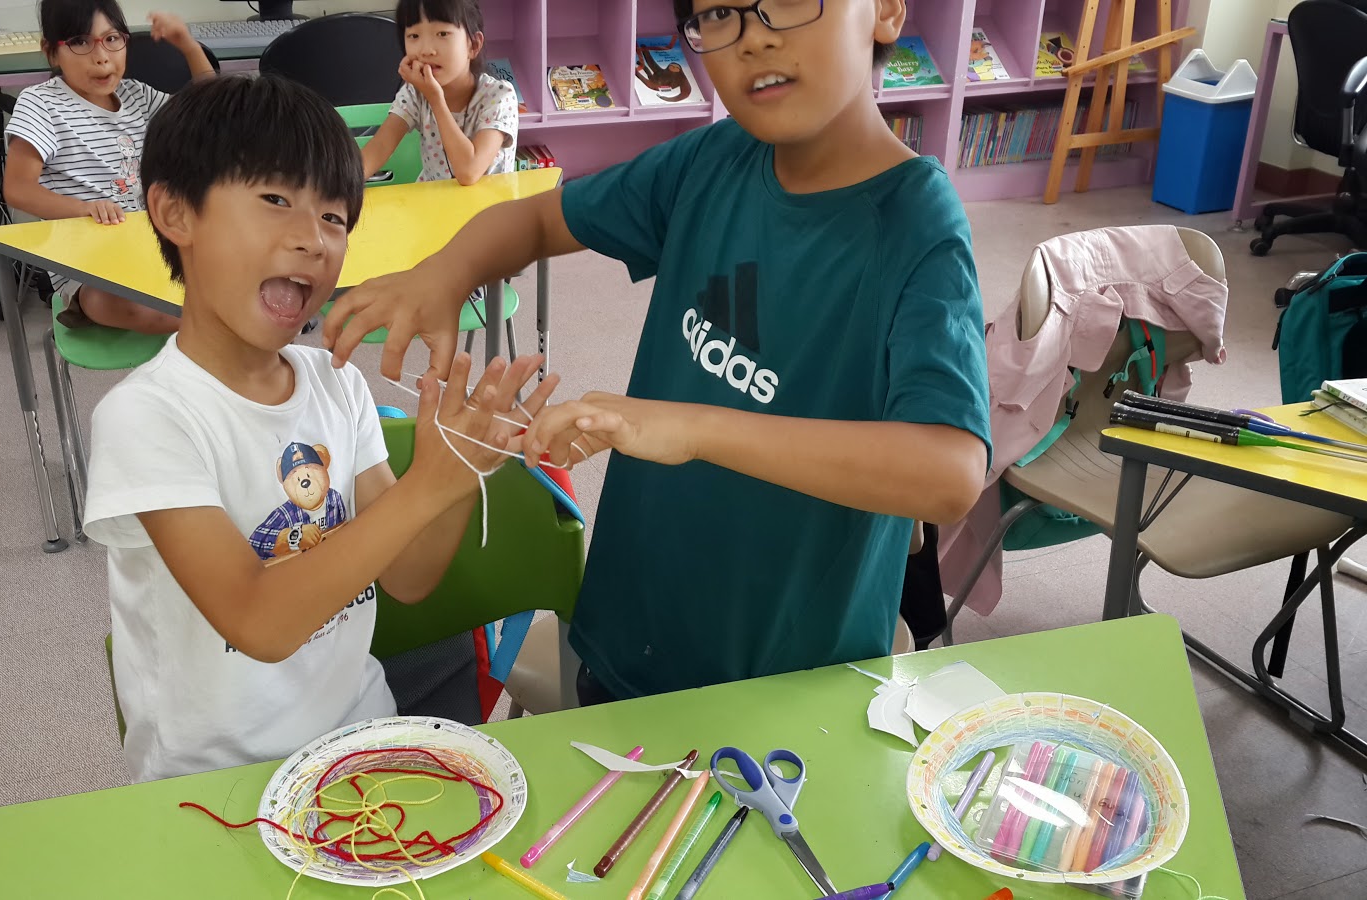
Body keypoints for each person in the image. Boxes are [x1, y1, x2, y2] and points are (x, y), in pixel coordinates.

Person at [323, 0, 992, 703]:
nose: (755, 38)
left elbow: (948, 471)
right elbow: (539, 217)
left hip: (786, 674)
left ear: (885, 11)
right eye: (722, 13)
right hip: (632, 626)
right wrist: (446, 273)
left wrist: (694, 427)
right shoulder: (713, 158)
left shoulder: (917, 224)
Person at [82, 74, 556, 781]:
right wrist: (425, 489)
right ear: (174, 213)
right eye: (275, 201)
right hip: (215, 778)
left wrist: (459, 468)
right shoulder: (146, 416)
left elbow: (410, 576)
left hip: (360, 739)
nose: (312, 240)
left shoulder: (335, 382)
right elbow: (260, 622)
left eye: (335, 218)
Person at [4, 0, 211, 334]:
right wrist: (85, 209)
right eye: (81, 42)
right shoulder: (41, 104)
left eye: (112, 39)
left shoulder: (137, 97)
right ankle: (217, 328)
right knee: (111, 301)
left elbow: (209, 109)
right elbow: (18, 189)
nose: (101, 56)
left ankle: (217, 321)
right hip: (89, 267)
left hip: (154, 249)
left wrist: (187, 45)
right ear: (51, 52)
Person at [359, 0, 519, 186]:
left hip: (490, 209)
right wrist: (340, 187)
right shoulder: (415, 93)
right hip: (434, 206)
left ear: (473, 45)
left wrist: (435, 99)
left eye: (442, 34)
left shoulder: (499, 96)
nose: (426, 50)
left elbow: (469, 172)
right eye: (414, 35)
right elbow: (379, 147)